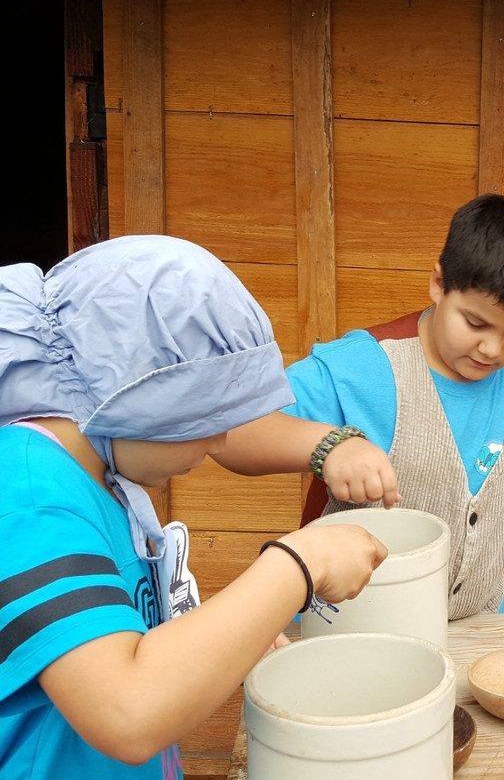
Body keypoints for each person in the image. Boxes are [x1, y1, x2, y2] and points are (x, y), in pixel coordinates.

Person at [0, 236, 388, 779]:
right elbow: (127, 710)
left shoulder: (98, 476)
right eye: (209, 418)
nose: (222, 444)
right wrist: (301, 564)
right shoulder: (30, 498)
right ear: (141, 402)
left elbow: (128, 642)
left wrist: (231, 637)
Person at [219, 193, 504, 618]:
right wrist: (330, 445)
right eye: (475, 323)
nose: (492, 348)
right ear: (439, 284)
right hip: (353, 631)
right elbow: (228, 434)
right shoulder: (360, 367)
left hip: (475, 623)